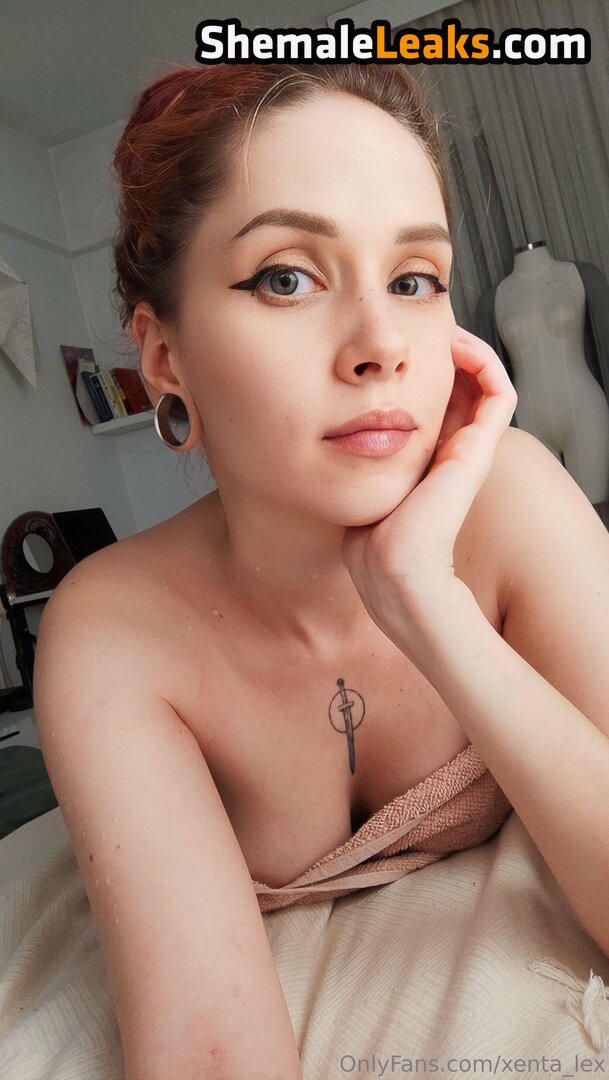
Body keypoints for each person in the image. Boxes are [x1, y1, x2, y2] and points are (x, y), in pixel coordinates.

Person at [32, 61, 609, 1080]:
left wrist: (425, 601)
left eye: (414, 279)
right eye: (286, 277)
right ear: (163, 358)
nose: (381, 344)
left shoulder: (513, 495)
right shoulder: (112, 630)